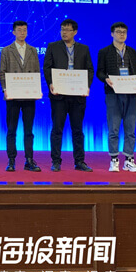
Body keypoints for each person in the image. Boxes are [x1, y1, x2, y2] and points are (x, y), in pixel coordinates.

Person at [43, 18, 94, 172]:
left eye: (67, 30)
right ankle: (56, 161)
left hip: (78, 95)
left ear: (75, 32)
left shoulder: (84, 49)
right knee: (57, 129)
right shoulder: (53, 47)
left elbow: (90, 69)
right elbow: (47, 67)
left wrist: (86, 86)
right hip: (59, 95)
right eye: (62, 29)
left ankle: (79, 161)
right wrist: (51, 83)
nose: (64, 32)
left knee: (77, 130)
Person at [96, 22, 136, 173]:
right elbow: (99, 72)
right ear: (112, 34)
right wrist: (106, 79)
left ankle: (129, 160)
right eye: (118, 32)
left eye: (124, 32)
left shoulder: (132, 52)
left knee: (130, 128)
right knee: (113, 128)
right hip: (113, 94)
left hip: (131, 93)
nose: (121, 34)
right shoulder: (104, 51)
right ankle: (114, 160)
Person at [0, 20, 41, 172]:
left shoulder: (33, 50)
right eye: (19, 30)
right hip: (13, 96)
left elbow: (36, 72)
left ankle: (29, 160)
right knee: (11, 130)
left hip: (29, 96)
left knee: (29, 130)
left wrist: (37, 89)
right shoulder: (6, 50)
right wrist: (5, 89)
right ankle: (11, 161)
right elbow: (2, 72)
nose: (22, 32)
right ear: (13, 32)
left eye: (24, 30)